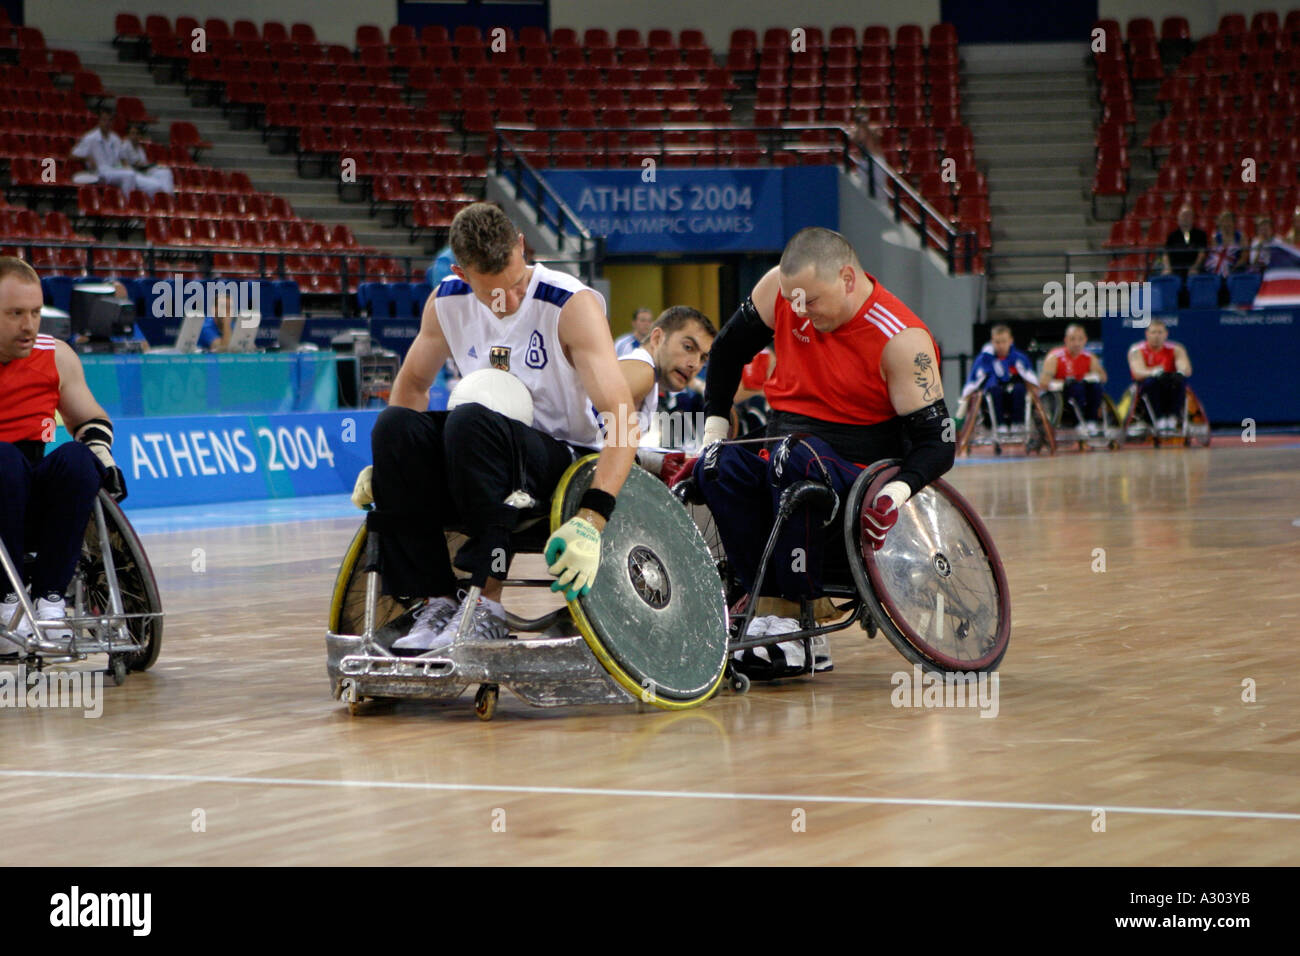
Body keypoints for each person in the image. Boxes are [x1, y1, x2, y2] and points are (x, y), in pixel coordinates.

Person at [355, 203, 638, 651]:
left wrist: (593, 516)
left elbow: (622, 414)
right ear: (462, 273)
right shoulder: (446, 301)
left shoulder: (569, 304)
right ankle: (436, 600)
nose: (511, 297)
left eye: (517, 280)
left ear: (521, 246)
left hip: (560, 460)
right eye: (494, 292)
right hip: (476, 452)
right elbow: (411, 383)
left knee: (470, 423)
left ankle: (488, 604)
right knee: (395, 429)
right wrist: (394, 467)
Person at [690, 227, 954, 679]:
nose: (800, 313)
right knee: (718, 466)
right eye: (793, 301)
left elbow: (939, 442)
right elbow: (729, 348)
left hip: (856, 461)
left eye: (811, 301)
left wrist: (896, 493)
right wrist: (715, 423)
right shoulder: (780, 290)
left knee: (796, 459)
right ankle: (764, 606)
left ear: (848, 279)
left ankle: (801, 619)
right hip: (784, 443)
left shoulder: (902, 339)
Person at [0, 257, 128, 656]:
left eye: (35, 312)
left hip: (32, 494)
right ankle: (7, 603)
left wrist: (102, 459)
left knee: (76, 459)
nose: (29, 324)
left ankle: (51, 600)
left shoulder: (55, 356)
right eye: (15, 313)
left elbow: (90, 419)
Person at [620, 305, 715, 479]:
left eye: (703, 358)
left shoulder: (644, 373)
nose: (694, 364)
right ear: (657, 338)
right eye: (688, 347)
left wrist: (660, 462)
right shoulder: (642, 371)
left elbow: (607, 445)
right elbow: (598, 448)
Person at [959, 324, 1040, 435]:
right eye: (997, 342)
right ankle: (999, 425)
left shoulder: (1020, 358)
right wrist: (966, 398)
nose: (1001, 345)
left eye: (1004, 341)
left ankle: (1018, 424)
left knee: (1020, 388)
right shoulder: (984, 359)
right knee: (993, 390)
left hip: (1016, 397)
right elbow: (973, 382)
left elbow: (1031, 379)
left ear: (1010, 341)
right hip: (992, 399)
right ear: (992, 341)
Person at [1040, 324, 1106, 435]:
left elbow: (1103, 377)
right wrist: (1063, 383)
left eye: (1080, 339)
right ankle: (1078, 423)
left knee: (1096, 386)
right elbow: (1043, 382)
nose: (1076, 343)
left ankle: (1091, 421)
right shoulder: (1055, 357)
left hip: (1085, 394)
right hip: (1062, 395)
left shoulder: (1089, 357)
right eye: (1072, 339)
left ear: (1085, 340)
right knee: (1076, 387)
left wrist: (1091, 377)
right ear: (1066, 340)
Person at [1128, 318, 1192, 432]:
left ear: (1166, 334)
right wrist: (1153, 372)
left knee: (1180, 380)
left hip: (1169, 382)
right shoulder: (1136, 350)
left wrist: (1180, 371)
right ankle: (1159, 418)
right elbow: (1138, 372)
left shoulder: (1176, 349)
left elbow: (1185, 368)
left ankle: (1172, 418)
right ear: (1147, 334)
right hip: (1147, 386)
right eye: (1153, 332)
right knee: (1152, 382)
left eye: (1160, 332)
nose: (1156, 336)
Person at [70, 108, 140, 195]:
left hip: (115, 169)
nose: (107, 123)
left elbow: (123, 159)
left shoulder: (115, 138)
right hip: (100, 172)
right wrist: (86, 158)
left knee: (148, 182)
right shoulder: (90, 137)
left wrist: (127, 166)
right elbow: (72, 155)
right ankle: (128, 204)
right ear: (99, 121)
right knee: (129, 176)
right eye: (104, 120)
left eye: (110, 120)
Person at [1161, 205, 1208, 307]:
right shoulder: (1172, 236)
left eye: (1188, 215)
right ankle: (1169, 308)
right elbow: (1165, 254)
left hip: (1194, 268)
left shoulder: (1200, 234)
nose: (1185, 218)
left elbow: (1202, 253)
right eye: (1183, 215)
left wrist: (1195, 267)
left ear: (1193, 218)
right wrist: (1167, 268)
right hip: (1176, 269)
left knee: (1196, 278)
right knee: (1166, 278)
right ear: (1178, 218)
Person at [114, 123, 174, 198]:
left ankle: (169, 198)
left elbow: (143, 164)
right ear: (128, 135)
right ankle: (157, 203)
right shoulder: (124, 146)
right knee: (155, 185)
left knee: (165, 172)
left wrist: (152, 166)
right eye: (132, 133)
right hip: (132, 175)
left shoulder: (140, 148)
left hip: (143, 172)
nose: (135, 136)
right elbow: (126, 165)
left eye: (137, 134)